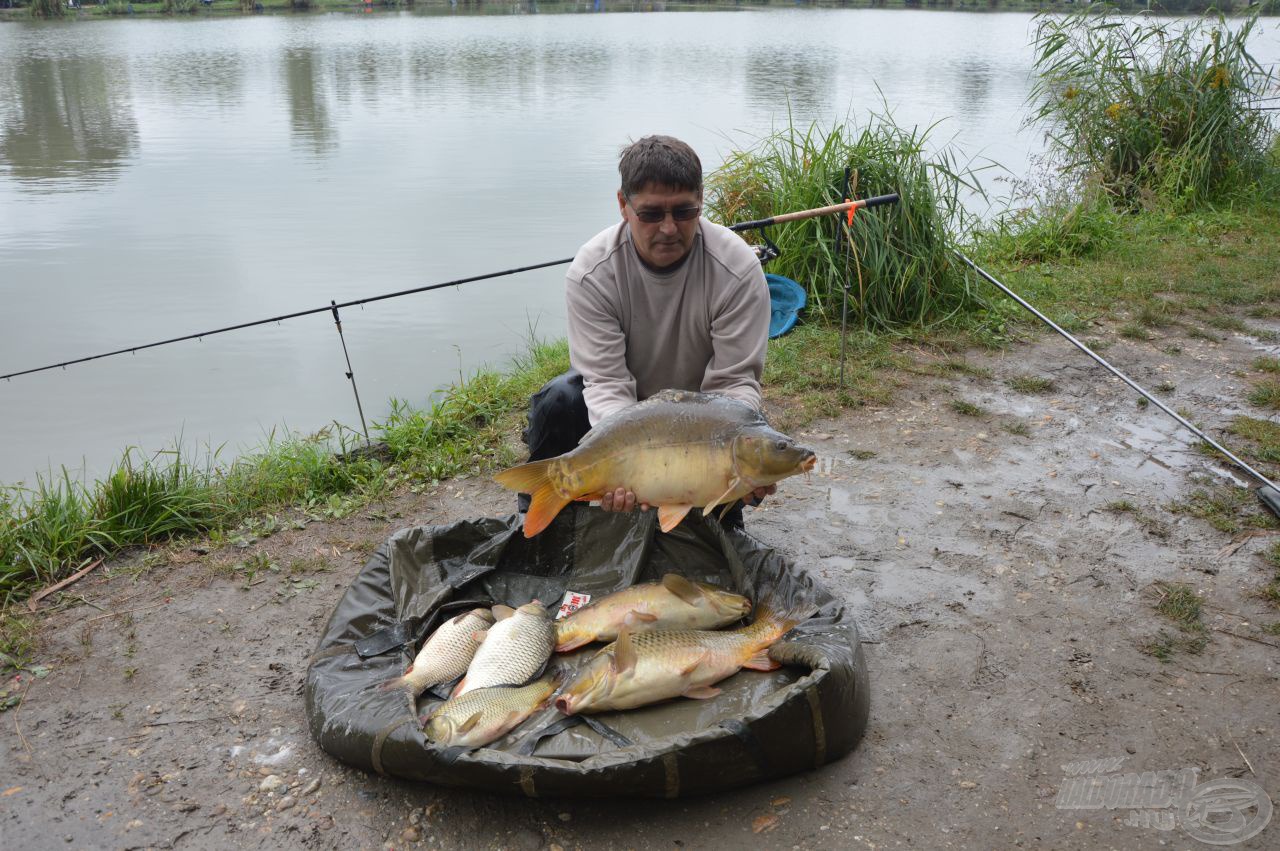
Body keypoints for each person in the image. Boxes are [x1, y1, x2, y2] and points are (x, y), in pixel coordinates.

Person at [520, 135, 775, 525]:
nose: (669, 229)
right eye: (652, 214)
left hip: (703, 419)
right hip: (624, 416)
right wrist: (626, 466)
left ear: (701, 200)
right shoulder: (593, 272)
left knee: (750, 444)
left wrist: (732, 459)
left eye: (684, 211)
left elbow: (734, 384)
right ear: (623, 205)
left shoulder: (737, 268)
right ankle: (546, 518)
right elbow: (605, 382)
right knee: (559, 400)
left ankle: (712, 512)